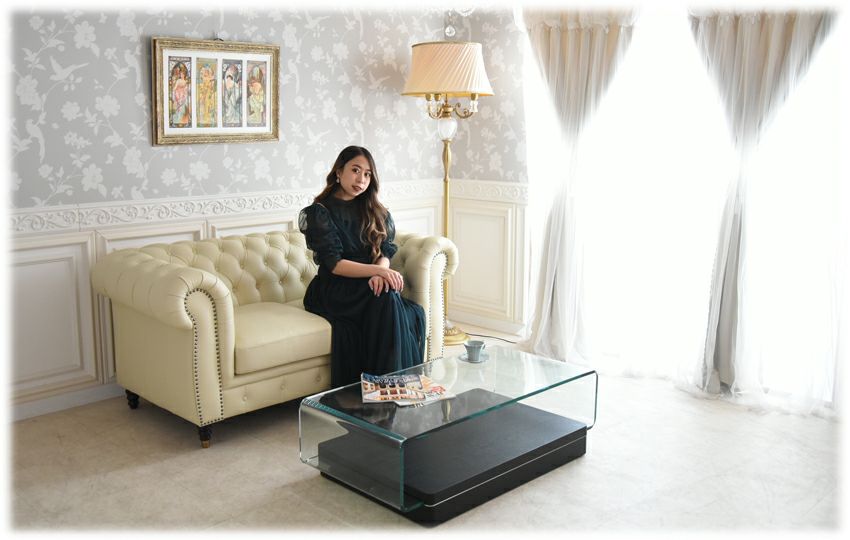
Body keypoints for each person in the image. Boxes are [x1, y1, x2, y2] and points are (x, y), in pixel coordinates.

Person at [299, 146, 426, 387]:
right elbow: (335, 265)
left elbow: (385, 250)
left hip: (368, 283)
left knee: (386, 294)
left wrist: (381, 272)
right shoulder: (320, 212)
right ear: (339, 172)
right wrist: (379, 272)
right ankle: (395, 386)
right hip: (335, 288)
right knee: (387, 298)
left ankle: (389, 387)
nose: (361, 180)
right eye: (355, 170)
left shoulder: (375, 210)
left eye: (367, 174)